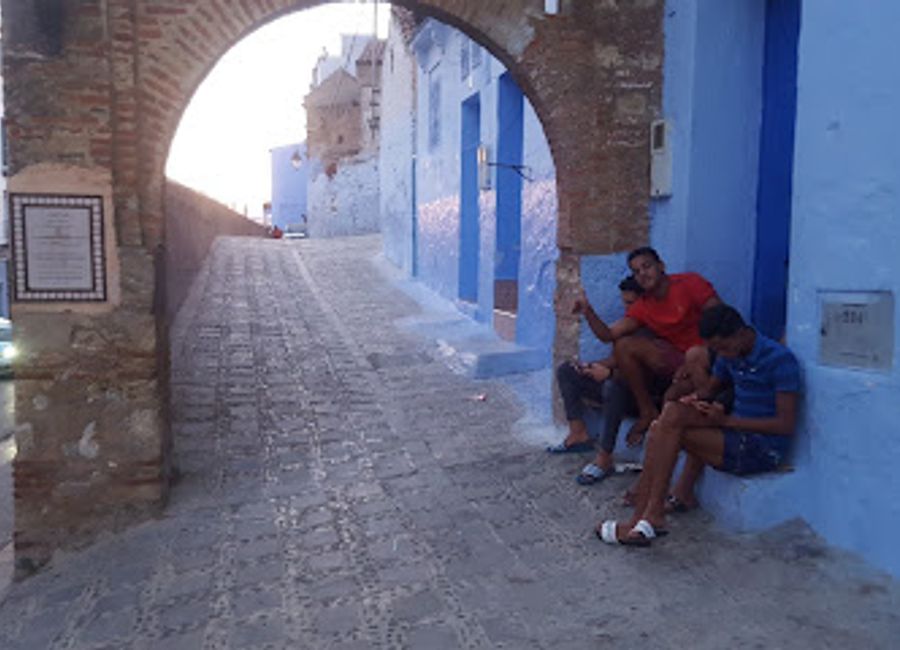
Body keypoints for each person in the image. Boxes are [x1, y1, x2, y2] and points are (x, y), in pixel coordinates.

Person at [596, 304, 801, 546]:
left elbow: (785, 425)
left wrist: (727, 421)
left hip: (762, 448)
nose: (722, 354)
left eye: (724, 347)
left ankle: (646, 517)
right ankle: (648, 515)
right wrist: (694, 400)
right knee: (670, 415)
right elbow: (710, 390)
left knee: (664, 431)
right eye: (717, 350)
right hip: (733, 432)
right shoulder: (729, 354)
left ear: (741, 334)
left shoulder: (779, 360)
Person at [575, 247, 721, 450]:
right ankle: (647, 411)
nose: (642, 274)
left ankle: (715, 428)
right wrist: (588, 311)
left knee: (677, 389)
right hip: (677, 361)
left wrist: (693, 360)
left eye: (647, 266)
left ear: (661, 266)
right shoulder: (643, 306)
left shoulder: (689, 283)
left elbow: (720, 319)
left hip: (707, 356)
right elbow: (608, 335)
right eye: (636, 271)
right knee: (624, 346)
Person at [547, 277, 645, 460]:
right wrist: (591, 367)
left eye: (631, 303)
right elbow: (616, 359)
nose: (627, 308)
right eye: (625, 302)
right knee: (567, 371)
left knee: (612, 387)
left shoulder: (651, 330)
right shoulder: (627, 325)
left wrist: (610, 374)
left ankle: (605, 456)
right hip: (615, 381)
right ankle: (578, 434)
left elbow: (644, 376)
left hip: (636, 397)